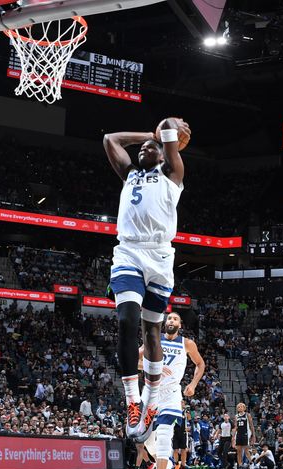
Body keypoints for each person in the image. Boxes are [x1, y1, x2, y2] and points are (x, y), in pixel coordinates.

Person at [103, 119, 191, 443]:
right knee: (127, 319)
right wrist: (147, 135)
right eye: (141, 148)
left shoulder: (172, 175)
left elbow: (168, 128)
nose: (144, 149)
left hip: (160, 257)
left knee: (151, 330)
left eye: (150, 148)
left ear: (164, 155)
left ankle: (152, 401)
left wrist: (162, 134)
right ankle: (133, 401)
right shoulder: (130, 174)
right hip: (128, 252)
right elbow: (111, 137)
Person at [140, 312, 205, 469]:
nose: (171, 321)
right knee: (142, 440)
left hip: (171, 394)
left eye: (175, 319)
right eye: (169, 318)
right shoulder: (153, 339)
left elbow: (200, 364)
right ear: (164, 322)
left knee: (165, 436)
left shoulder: (187, 343)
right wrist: (154, 367)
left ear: (180, 324)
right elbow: (134, 360)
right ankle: (166, 463)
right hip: (151, 391)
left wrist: (193, 384)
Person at [232, 402, 256, 469]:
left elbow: (251, 426)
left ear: (244, 408)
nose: (240, 408)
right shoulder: (236, 416)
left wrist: (253, 436)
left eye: (241, 406)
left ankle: (251, 462)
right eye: (238, 407)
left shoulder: (247, 415)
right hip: (238, 434)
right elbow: (235, 427)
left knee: (246, 450)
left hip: (246, 434)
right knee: (238, 451)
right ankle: (240, 466)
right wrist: (233, 437)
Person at [172, 400, 189, 469]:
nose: (181, 403)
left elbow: (189, 418)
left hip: (183, 432)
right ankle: (176, 464)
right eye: (180, 402)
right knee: (175, 449)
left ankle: (183, 465)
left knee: (183, 449)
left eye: (182, 402)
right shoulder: (175, 411)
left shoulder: (185, 411)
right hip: (175, 432)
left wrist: (187, 411)